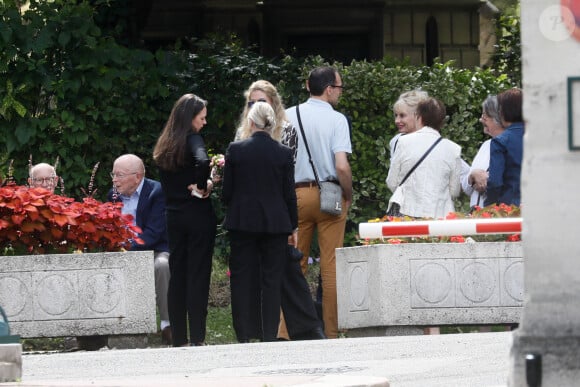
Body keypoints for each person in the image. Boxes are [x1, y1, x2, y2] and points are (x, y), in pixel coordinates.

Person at [235, 80, 325, 341]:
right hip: (251, 211)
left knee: (284, 268)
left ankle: (299, 328)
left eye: (261, 101)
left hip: (275, 209)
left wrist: (290, 222)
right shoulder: (241, 132)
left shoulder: (286, 130)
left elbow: (287, 176)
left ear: (273, 103)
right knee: (275, 270)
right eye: (251, 102)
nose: (255, 106)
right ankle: (294, 328)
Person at [285, 66, 353, 339]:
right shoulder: (337, 120)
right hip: (329, 195)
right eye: (339, 88)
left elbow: (284, 159)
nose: (339, 93)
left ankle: (286, 331)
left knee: (291, 263)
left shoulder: (288, 115)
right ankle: (332, 332)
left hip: (296, 194)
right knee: (330, 264)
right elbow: (342, 166)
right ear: (328, 89)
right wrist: (348, 193)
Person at [222, 101, 298, 342]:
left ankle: (243, 334)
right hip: (276, 224)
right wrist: (293, 225)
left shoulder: (235, 150)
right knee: (272, 280)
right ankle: (268, 334)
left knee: (242, 278)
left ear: (251, 122)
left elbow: (227, 193)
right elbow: (289, 194)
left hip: (242, 222)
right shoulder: (283, 153)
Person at [153, 93, 217, 347]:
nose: (203, 123)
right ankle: (198, 336)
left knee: (177, 274)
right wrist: (204, 184)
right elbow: (202, 161)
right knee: (198, 274)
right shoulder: (193, 139)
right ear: (191, 118)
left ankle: (179, 336)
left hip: (174, 216)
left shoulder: (166, 144)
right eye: (201, 118)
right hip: (198, 214)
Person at [107, 154, 172, 345]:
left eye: (119, 175)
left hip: (154, 249)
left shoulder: (157, 192)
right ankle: (110, 325)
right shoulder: (112, 195)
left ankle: (168, 324)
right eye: (113, 174)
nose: (114, 180)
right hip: (122, 250)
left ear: (137, 176)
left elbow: (155, 232)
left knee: (162, 266)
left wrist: (128, 250)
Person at [386, 97, 462, 219]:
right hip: (439, 215)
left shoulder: (403, 142)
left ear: (418, 116)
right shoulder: (453, 149)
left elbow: (392, 182)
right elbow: (454, 191)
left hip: (406, 213)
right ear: (442, 121)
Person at [461, 95, 506, 209]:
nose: (481, 120)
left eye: (485, 117)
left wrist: (487, 181)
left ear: (499, 119)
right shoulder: (486, 146)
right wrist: (472, 176)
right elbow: (468, 189)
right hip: (478, 216)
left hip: (502, 216)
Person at [484, 88, 524, 207]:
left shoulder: (500, 141)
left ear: (503, 112)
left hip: (510, 208)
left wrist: (488, 206)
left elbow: (495, 182)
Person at [390, 90, 429, 157]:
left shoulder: (431, 141)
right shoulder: (396, 141)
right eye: (396, 115)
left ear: (418, 116)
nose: (397, 121)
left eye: (402, 115)